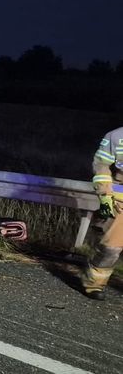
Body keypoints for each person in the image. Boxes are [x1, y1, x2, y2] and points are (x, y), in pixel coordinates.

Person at [82, 126, 123, 300]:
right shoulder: (115, 137)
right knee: (111, 247)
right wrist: (105, 196)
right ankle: (94, 284)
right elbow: (101, 166)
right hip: (119, 200)